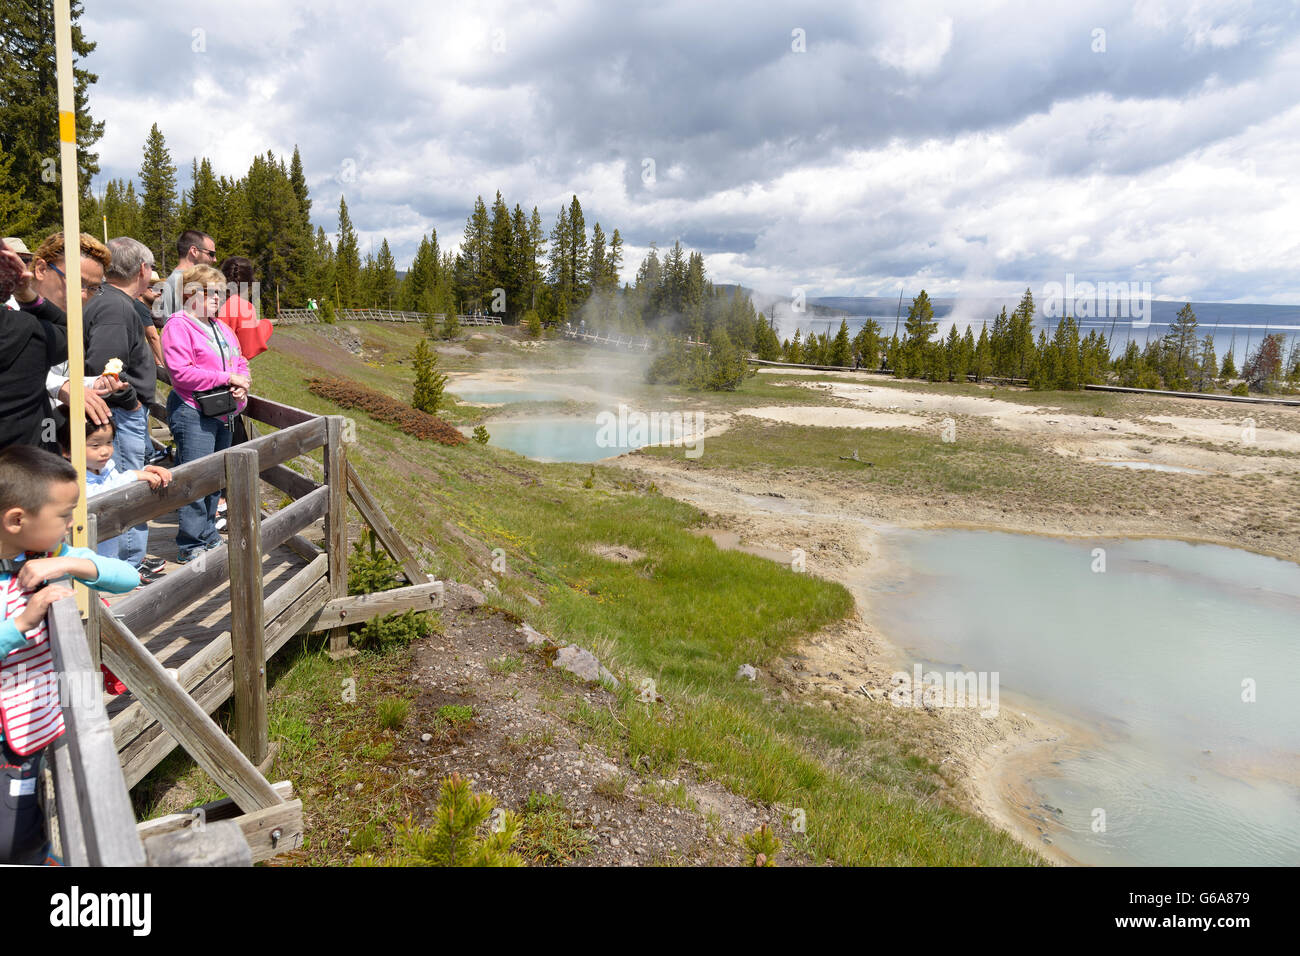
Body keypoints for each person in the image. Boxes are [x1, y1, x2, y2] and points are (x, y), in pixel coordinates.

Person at [0, 445, 140, 864]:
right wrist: (23, 623)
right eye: (63, 515)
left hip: (25, 727)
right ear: (17, 519)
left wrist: (71, 568)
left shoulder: (51, 555)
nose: (71, 523)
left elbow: (127, 577)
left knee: (18, 826)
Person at [80, 238, 159, 576]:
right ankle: (126, 566)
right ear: (142, 269)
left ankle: (124, 562)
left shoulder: (107, 300)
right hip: (119, 415)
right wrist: (131, 402)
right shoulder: (116, 306)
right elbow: (105, 366)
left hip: (117, 413)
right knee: (125, 490)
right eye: (152, 268)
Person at [161, 264, 250, 563]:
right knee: (195, 478)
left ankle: (209, 534)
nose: (218, 299)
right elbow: (181, 374)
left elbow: (240, 361)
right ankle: (190, 544)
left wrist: (242, 384)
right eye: (211, 293)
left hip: (223, 411)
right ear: (190, 293)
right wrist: (227, 380)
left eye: (221, 294)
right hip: (193, 411)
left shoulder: (221, 328)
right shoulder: (178, 325)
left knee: (216, 477)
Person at [55, 413, 170, 578]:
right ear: (67, 451)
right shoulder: (70, 477)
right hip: (84, 557)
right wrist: (133, 475)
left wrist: (145, 472)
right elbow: (98, 497)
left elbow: (116, 483)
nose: (105, 451)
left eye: (109, 442)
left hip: (108, 550)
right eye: (95, 445)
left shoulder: (106, 467)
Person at [155, 230, 215, 326]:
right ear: (194, 251)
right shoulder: (179, 281)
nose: (215, 259)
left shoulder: (180, 280)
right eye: (211, 254)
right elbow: (175, 327)